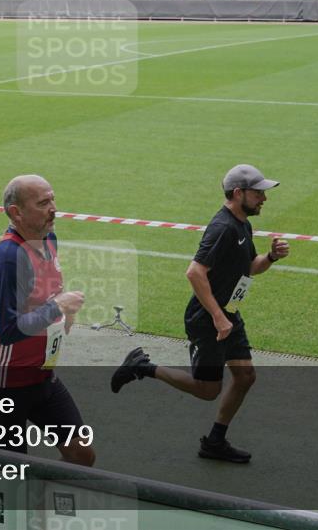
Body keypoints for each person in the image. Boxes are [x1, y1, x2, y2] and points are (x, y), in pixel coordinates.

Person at [110, 164, 289, 463]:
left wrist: (270, 257)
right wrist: (218, 317)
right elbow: (194, 273)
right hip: (208, 321)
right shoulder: (223, 227)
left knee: (245, 376)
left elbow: (249, 269)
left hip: (229, 315)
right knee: (208, 390)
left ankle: (215, 442)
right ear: (237, 193)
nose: (264, 198)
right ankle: (143, 367)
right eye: (258, 193)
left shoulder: (242, 223)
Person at [0, 175, 95, 467]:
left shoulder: (48, 239)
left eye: (53, 199)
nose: (53, 208)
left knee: (82, 454)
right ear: (16, 213)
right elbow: (8, 330)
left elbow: (50, 286)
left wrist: (64, 309)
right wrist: (58, 306)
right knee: (12, 471)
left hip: (43, 375)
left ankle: (41, 500)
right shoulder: (8, 257)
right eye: (43, 203)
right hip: (5, 383)